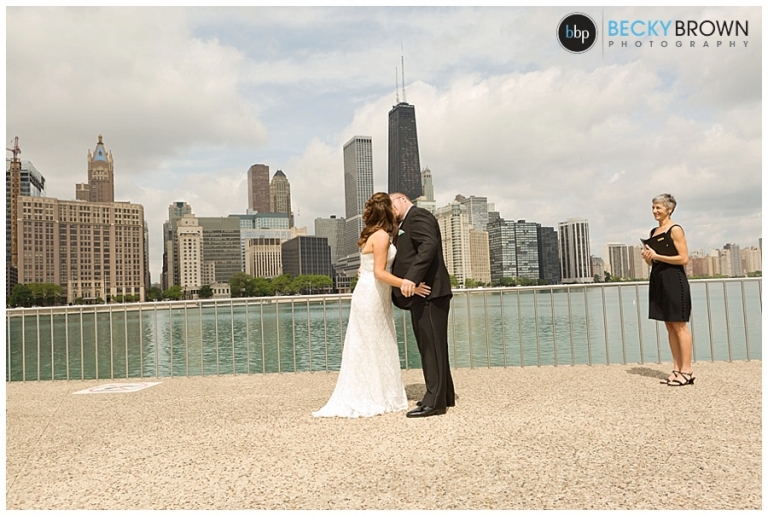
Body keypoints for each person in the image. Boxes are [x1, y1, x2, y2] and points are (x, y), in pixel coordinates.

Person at [313, 193, 431, 418]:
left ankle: (376, 391)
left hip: (372, 293)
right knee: (373, 342)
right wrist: (409, 285)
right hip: (372, 295)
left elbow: (368, 266)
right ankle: (375, 395)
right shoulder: (382, 236)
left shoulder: (376, 235)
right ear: (387, 211)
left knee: (372, 342)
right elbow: (379, 273)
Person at [389, 192, 455, 417]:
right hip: (425, 293)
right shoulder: (406, 222)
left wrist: (411, 278)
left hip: (428, 292)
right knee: (434, 347)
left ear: (403, 199)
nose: (389, 210)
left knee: (431, 348)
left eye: (390, 204)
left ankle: (434, 403)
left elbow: (428, 244)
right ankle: (444, 395)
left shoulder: (417, 215)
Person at [641, 193, 695, 386]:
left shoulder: (675, 229)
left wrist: (658, 256)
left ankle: (687, 371)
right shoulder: (654, 231)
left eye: (658, 207)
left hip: (674, 280)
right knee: (669, 325)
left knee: (679, 325)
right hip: (659, 280)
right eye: (653, 207)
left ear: (669, 209)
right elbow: (653, 261)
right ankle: (676, 368)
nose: (655, 211)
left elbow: (684, 258)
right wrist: (649, 258)